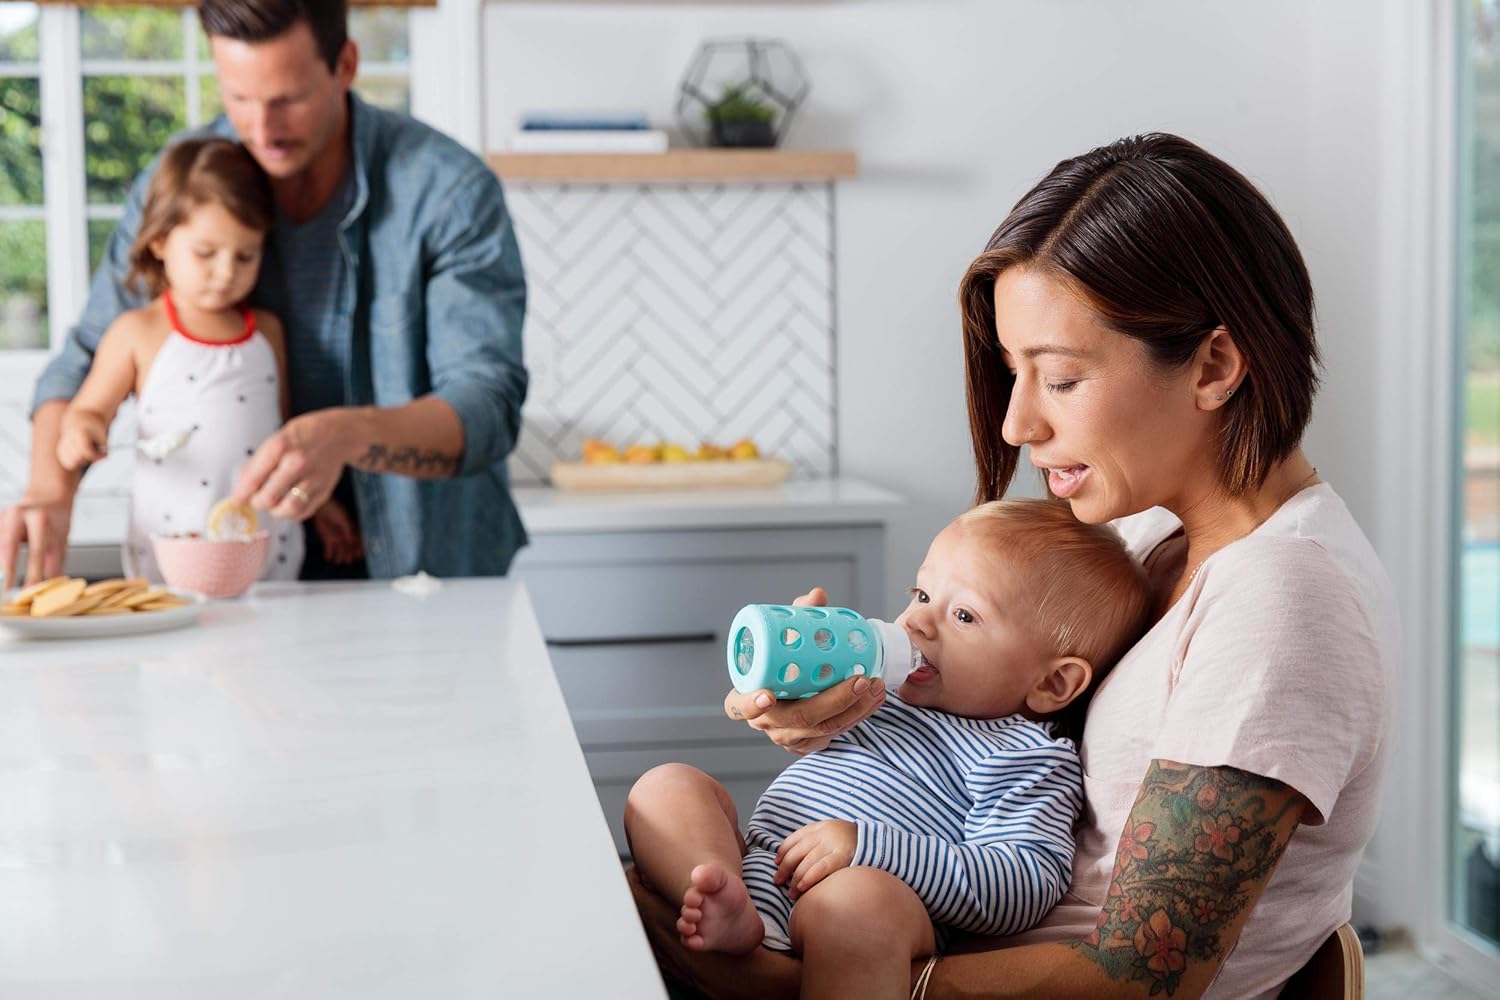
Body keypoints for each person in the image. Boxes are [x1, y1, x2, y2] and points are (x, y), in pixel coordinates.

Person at [632, 132, 1397, 1000]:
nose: (1015, 425)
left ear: (1214, 365)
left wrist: (819, 973)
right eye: (1011, 373)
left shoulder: (1281, 598)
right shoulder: (1145, 537)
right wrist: (835, 706)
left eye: (1060, 379)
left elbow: (1140, 977)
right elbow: (990, 719)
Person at [1, 0, 527, 589]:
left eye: (288, 99)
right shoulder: (188, 184)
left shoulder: (448, 192)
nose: (262, 129)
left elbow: (487, 406)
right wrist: (49, 493)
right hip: (246, 584)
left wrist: (348, 435)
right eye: (239, 97)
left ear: (346, 66)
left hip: (429, 570)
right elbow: (86, 358)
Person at [625, 499, 1151, 1000]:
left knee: (858, 902)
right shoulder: (880, 691)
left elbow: (1023, 884)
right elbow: (797, 720)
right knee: (665, 786)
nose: (916, 622)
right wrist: (794, 671)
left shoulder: (1027, 757)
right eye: (921, 595)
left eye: (964, 616)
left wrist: (869, 848)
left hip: (857, 908)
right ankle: (718, 892)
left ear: (1053, 683)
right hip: (759, 865)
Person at [55, 137, 358, 581]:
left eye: (246, 256)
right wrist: (81, 432)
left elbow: (280, 435)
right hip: (169, 541)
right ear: (160, 240)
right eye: (205, 253)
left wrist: (319, 503)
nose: (226, 272)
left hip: (263, 541)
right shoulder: (138, 331)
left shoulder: (268, 332)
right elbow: (88, 410)